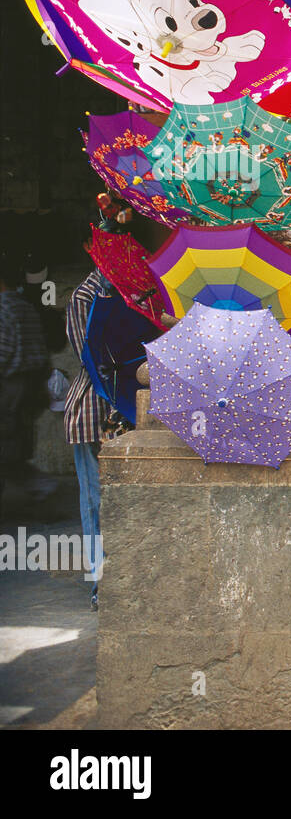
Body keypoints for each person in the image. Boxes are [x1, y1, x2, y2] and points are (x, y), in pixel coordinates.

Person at [65, 236, 113, 611]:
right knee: (96, 500)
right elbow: (90, 358)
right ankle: (100, 583)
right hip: (93, 406)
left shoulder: (134, 289)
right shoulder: (87, 295)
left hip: (120, 403)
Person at [0, 255, 50, 502]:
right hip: (31, 385)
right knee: (15, 445)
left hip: (10, 387)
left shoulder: (3, 308)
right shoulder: (25, 305)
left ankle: (38, 486)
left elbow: (2, 352)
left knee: (7, 449)